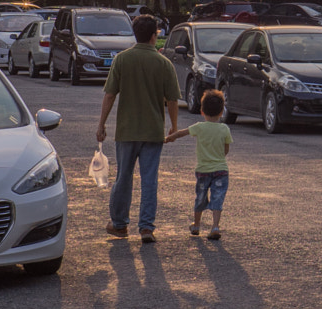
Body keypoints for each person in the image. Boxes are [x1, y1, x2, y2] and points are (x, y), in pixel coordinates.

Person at [95, 13, 180, 242]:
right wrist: (173, 126)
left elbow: (110, 95)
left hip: (126, 130)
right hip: (153, 131)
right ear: (155, 35)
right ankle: (146, 228)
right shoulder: (164, 63)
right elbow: (172, 100)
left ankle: (120, 225)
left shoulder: (122, 59)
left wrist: (101, 123)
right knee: (149, 179)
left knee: (124, 177)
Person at [166, 89, 232, 240]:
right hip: (221, 170)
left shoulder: (199, 127)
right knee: (218, 197)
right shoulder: (224, 129)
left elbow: (182, 132)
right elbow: (226, 149)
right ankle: (215, 226)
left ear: (202, 111)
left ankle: (196, 225)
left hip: (203, 170)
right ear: (222, 111)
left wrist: (169, 138)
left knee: (200, 197)